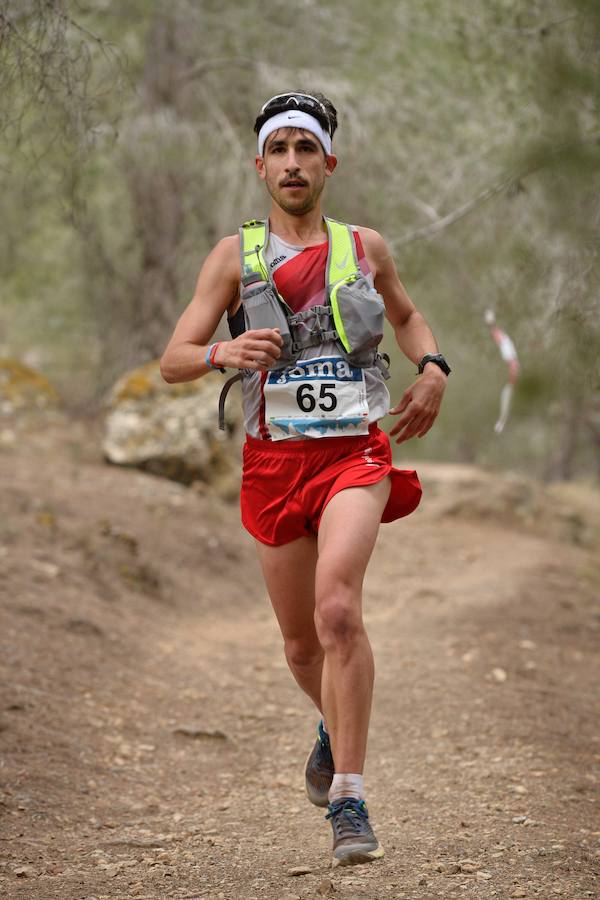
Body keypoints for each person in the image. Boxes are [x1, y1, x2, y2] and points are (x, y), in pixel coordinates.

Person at [160, 91, 450, 868]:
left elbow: (408, 317)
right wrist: (223, 353)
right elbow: (173, 360)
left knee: (338, 611)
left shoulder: (366, 246)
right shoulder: (233, 256)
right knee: (299, 647)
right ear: (261, 166)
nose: (293, 162)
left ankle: (349, 798)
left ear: (330, 163)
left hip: (355, 452)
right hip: (273, 461)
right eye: (279, 149)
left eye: (306, 148)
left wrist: (432, 368)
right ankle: (330, 723)